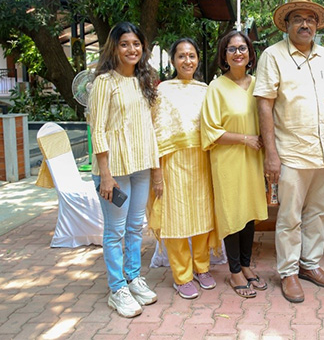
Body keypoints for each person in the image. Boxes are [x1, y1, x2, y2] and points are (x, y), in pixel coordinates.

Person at [254, 0, 324, 303]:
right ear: (287, 24)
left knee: (318, 213)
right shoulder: (273, 55)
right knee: (290, 216)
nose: (305, 24)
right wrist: (271, 153)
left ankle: (309, 265)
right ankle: (289, 272)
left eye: (311, 20)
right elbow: (264, 106)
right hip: (291, 152)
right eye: (298, 19)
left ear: (317, 26)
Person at [89, 21, 160, 318]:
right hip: (114, 169)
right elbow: (97, 129)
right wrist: (105, 174)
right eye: (124, 44)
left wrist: (156, 170)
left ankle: (133, 278)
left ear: (143, 47)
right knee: (115, 231)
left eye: (136, 44)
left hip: (141, 165)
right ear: (114, 48)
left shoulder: (145, 80)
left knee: (135, 228)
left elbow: (152, 128)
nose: (131, 49)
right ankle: (117, 288)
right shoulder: (105, 82)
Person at [148, 38, 220, 300]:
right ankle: (182, 275)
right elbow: (154, 133)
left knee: (202, 216)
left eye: (192, 55)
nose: (187, 61)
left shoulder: (206, 90)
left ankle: (202, 267)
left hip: (202, 160)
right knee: (176, 218)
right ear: (172, 61)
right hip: (173, 162)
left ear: (198, 59)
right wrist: (156, 172)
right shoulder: (162, 91)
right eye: (181, 56)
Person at [201, 30, 268, 299]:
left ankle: (247, 264)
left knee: (249, 212)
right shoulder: (216, 87)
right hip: (228, 159)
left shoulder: (259, 85)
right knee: (232, 214)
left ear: (251, 54)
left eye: (242, 48)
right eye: (232, 49)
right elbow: (210, 130)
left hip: (253, 159)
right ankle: (235, 270)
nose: (238, 53)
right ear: (224, 55)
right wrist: (245, 139)